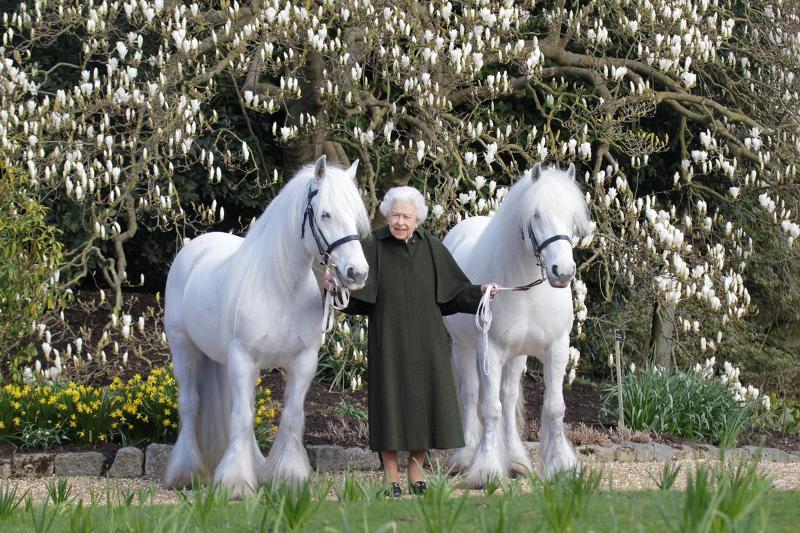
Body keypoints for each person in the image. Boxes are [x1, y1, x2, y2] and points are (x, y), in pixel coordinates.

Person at [332, 186, 498, 497]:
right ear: (387, 215)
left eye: (406, 216)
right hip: (388, 340)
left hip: (428, 342)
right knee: (389, 405)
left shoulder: (432, 247)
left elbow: (454, 293)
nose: (399, 222)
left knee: (426, 404)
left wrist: (482, 292)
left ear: (417, 219)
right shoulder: (373, 246)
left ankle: (416, 468)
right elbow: (357, 300)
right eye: (394, 215)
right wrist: (336, 289)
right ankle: (391, 472)